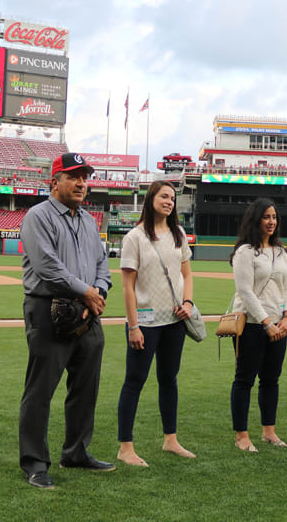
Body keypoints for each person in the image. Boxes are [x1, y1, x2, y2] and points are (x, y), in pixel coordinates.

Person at [18, 153, 114, 490]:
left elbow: (103, 263)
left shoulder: (89, 220)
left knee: (85, 389)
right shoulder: (37, 216)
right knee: (40, 390)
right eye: (73, 176)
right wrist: (87, 291)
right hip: (49, 309)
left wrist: (97, 291)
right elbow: (47, 266)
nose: (81, 183)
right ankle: (34, 462)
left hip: (88, 311)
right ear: (54, 182)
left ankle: (75, 452)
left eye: (85, 176)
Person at [117, 180, 196, 467]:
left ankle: (170, 440)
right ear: (151, 199)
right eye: (164, 196)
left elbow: (187, 275)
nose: (169, 201)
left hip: (174, 322)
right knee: (134, 382)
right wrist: (133, 325)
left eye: (172, 198)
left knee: (169, 380)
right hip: (145, 324)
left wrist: (188, 303)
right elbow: (128, 287)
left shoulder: (178, 234)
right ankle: (125, 447)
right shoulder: (134, 237)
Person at [229, 198, 287, 452]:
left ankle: (269, 432)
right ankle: (242, 436)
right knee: (244, 380)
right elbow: (245, 290)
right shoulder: (245, 251)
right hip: (253, 325)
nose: (271, 222)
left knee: (271, 380)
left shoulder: (280, 252)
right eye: (266, 217)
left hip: (279, 324)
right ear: (256, 219)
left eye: (274, 217)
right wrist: (267, 323)